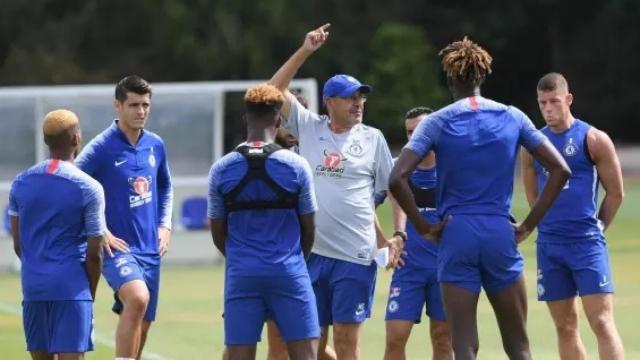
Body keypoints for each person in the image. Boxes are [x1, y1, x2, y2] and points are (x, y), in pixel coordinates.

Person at [389, 37, 571, 360]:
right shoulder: (512, 116)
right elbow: (560, 170)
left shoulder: (436, 122)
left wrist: (424, 226)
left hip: (455, 233)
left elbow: (396, 178)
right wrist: (529, 224)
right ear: (482, 77)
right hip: (500, 232)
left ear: (449, 81)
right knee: (519, 346)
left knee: (463, 346)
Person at [269, 24, 398, 359]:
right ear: (329, 102)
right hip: (311, 254)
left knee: (346, 343)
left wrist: (398, 234)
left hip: (355, 256)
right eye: (350, 98)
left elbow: (395, 187)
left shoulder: (373, 138)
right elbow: (272, 90)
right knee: (310, 343)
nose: (359, 104)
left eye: (361, 97)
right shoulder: (309, 127)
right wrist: (306, 50)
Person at [208, 84, 319, 360]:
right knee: (305, 354)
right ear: (278, 120)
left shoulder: (221, 169)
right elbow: (309, 228)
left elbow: (218, 232)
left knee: (238, 354)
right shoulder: (296, 166)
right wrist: (293, 260)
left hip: (242, 273)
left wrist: (240, 257)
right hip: (289, 271)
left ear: (246, 119)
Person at [521, 72, 625, 360]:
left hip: (587, 245)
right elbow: (533, 198)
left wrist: (599, 227)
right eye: (542, 103)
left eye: (554, 101)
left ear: (568, 99)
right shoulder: (533, 146)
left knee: (602, 322)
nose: (548, 108)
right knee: (565, 327)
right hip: (550, 247)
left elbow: (615, 193)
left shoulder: (592, 139)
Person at [75, 75, 173, 360]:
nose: (141, 111)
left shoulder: (156, 145)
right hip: (117, 248)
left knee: (142, 324)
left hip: (150, 249)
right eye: (133, 105)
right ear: (117, 106)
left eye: (145, 105)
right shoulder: (101, 147)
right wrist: (99, 228)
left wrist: (165, 225)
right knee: (138, 297)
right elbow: (74, 184)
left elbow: (166, 185)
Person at [9, 109, 106, 360]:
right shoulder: (89, 187)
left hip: (33, 288)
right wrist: (88, 294)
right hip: (71, 288)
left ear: (45, 141)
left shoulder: (20, 182)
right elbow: (95, 253)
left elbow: (19, 245)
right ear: (76, 139)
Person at [383, 107, 452, 360]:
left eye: (420, 130)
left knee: (443, 340)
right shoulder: (396, 170)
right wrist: (385, 243)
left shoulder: (452, 171)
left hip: (446, 269)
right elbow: (359, 203)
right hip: (408, 268)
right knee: (395, 339)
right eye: (409, 132)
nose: (414, 137)